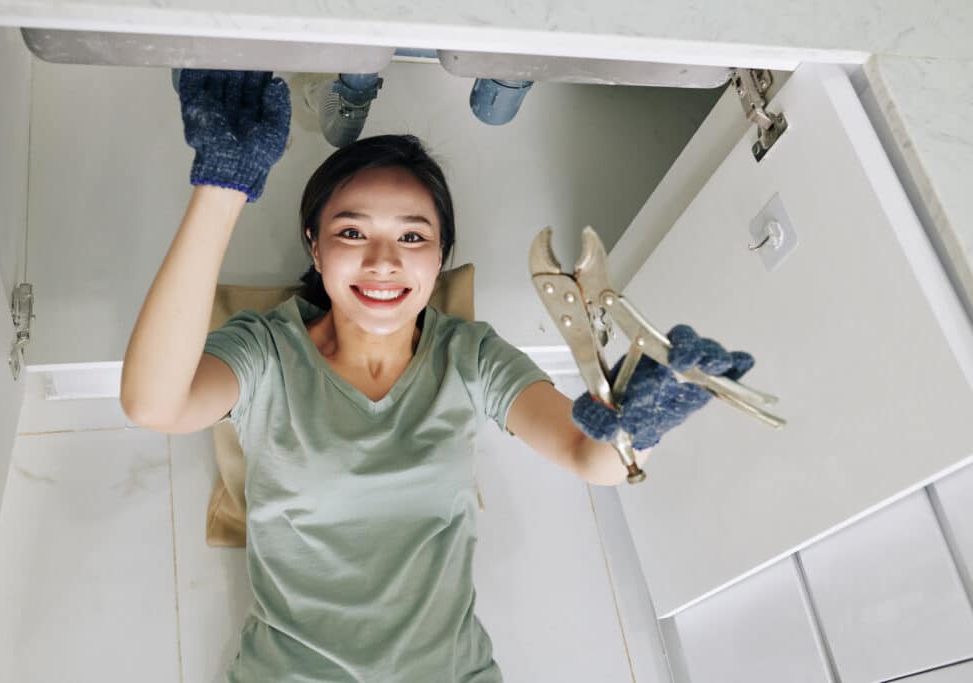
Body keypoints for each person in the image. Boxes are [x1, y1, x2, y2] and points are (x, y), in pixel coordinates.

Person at [120, 69, 754, 682]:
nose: (383, 262)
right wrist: (223, 187)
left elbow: (585, 456)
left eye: (413, 237)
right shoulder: (264, 351)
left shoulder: (469, 356)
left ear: (440, 253)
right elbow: (155, 405)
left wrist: (636, 428)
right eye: (351, 231)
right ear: (316, 247)